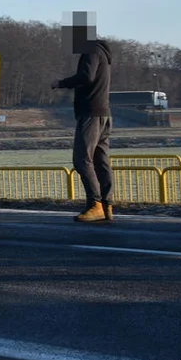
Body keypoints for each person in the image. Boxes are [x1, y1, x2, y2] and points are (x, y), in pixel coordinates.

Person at [52, 21, 114, 223]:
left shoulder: (91, 50)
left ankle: (95, 204)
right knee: (100, 160)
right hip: (103, 112)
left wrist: (62, 83)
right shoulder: (101, 50)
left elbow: (87, 76)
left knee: (81, 159)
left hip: (91, 113)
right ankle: (106, 205)